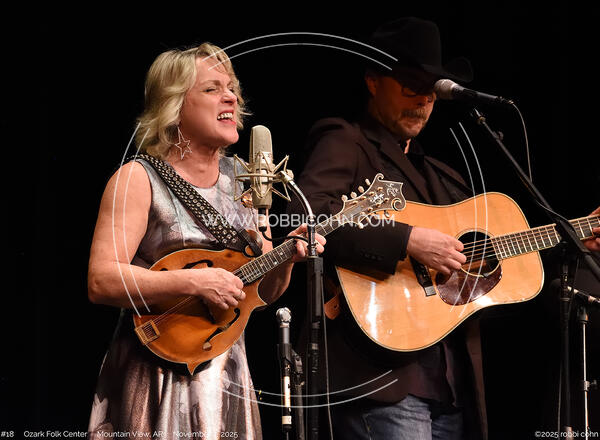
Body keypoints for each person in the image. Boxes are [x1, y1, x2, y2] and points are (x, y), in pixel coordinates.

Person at [288, 17, 599, 440]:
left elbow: (487, 265)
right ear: (373, 81)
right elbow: (306, 216)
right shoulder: (346, 141)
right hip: (380, 378)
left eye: (432, 91)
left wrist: (574, 240)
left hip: (451, 386)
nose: (423, 100)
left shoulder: (443, 175)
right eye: (411, 86)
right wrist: (407, 240)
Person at [86, 43, 325, 440]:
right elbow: (101, 280)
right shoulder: (137, 179)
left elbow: (261, 294)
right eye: (212, 89)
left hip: (224, 372)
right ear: (174, 105)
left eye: (232, 88)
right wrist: (194, 282)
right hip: (155, 371)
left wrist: (285, 258)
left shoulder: (247, 182)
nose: (231, 97)